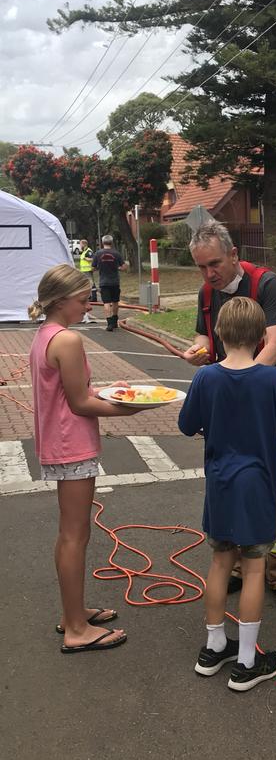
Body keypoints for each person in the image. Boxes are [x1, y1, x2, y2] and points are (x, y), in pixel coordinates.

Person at [178, 297, 276, 690]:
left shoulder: (206, 378)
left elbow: (186, 423)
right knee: (255, 567)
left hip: (220, 486)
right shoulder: (272, 379)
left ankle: (213, 647)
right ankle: (246, 661)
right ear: (263, 338)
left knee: (219, 563)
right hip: (257, 486)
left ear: (220, 336)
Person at [182, 222, 276, 610]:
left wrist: (244, 387)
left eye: (215, 263)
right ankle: (238, 566)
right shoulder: (207, 294)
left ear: (234, 254)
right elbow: (204, 340)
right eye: (202, 267)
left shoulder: (266, 285)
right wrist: (196, 352)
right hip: (232, 406)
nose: (209, 273)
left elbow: (274, 345)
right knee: (234, 486)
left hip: (269, 404)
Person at [28, 264, 143, 654]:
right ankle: (77, 628)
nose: (88, 306)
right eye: (82, 300)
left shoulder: (45, 335)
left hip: (58, 444)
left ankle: (72, 613)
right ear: (61, 300)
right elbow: (80, 403)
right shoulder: (69, 340)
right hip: (71, 444)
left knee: (70, 533)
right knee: (76, 534)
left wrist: (111, 390)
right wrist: (128, 409)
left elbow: (74, 389)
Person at [92, 234, 126, 332]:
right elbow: (123, 267)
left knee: (106, 302)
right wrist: (118, 268)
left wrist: (99, 267)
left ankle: (109, 323)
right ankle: (115, 320)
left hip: (104, 282)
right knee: (115, 301)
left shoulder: (98, 254)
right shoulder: (116, 253)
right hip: (115, 281)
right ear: (112, 242)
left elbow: (93, 267)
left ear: (102, 243)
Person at [78, 239, 95, 324]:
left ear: (84, 244)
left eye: (80, 244)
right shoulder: (84, 251)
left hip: (87, 271)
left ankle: (89, 297)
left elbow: (92, 259)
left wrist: (86, 258)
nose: (79, 245)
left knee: (89, 287)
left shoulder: (88, 251)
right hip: (84, 271)